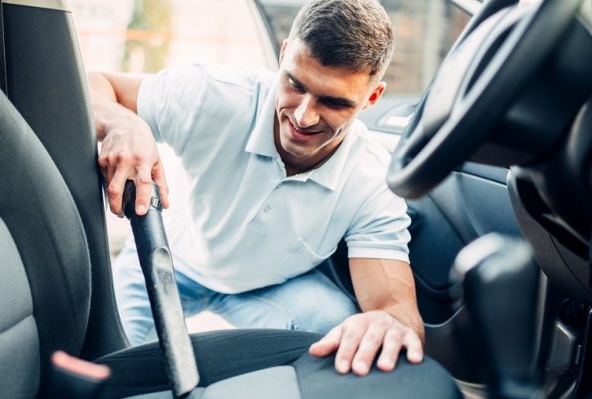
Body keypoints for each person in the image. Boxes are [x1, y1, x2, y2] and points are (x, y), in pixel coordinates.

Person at [88, 0, 424, 376]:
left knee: (342, 331)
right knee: (104, 369)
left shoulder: (372, 181)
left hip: (267, 287)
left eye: (332, 102)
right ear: (283, 55)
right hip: (168, 258)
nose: (303, 116)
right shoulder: (213, 95)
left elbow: (393, 308)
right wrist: (123, 124)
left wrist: (390, 324)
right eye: (295, 84)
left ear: (371, 99)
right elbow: (93, 84)